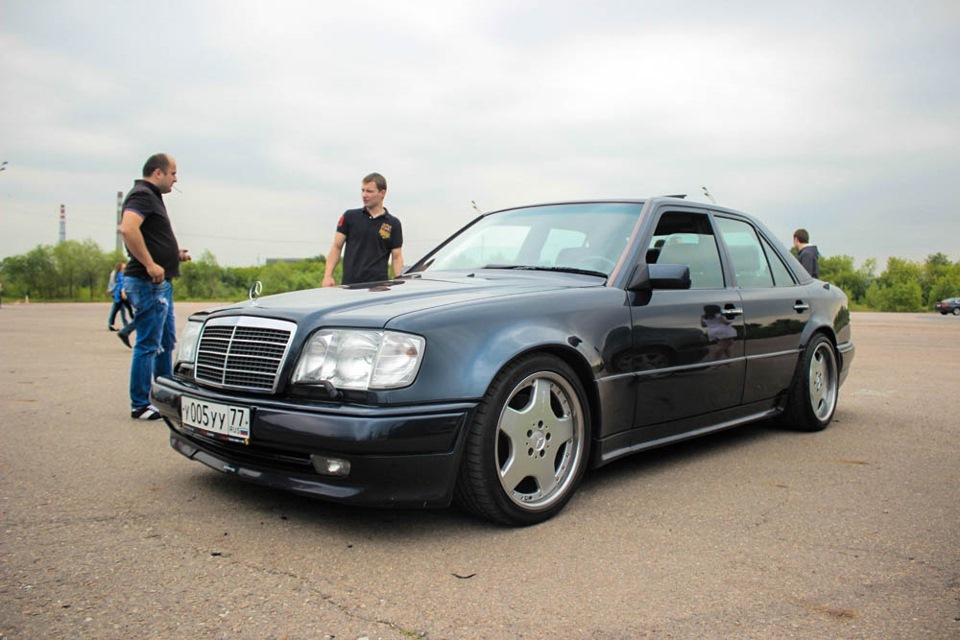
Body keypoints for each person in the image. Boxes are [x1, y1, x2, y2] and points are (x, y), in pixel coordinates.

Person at [119, 153, 191, 420]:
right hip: (148, 283)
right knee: (148, 345)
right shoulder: (142, 194)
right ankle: (140, 404)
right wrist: (150, 263)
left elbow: (149, 235)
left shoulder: (152, 197)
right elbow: (128, 229)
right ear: (158, 172)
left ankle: (165, 397)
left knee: (164, 342)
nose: (176, 179)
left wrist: (174, 254)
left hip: (159, 285)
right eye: (173, 173)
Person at [322, 172, 404, 287]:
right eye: (363, 190)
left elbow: (397, 256)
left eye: (369, 191)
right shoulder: (350, 217)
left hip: (379, 287)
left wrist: (398, 280)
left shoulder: (393, 223)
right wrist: (327, 275)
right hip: (350, 286)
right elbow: (336, 247)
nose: (364, 195)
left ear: (382, 193)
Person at [107, 261, 134, 331]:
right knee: (119, 309)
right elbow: (117, 284)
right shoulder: (116, 274)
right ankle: (130, 324)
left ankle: (126, 324)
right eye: (124, 267)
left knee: (123, 310)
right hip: (119, 294)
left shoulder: (121, 274)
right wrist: (113, 290)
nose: (125, 268)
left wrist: (111, 290)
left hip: (119, 294)